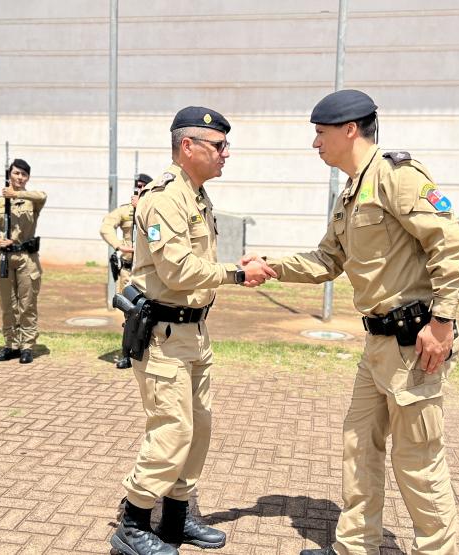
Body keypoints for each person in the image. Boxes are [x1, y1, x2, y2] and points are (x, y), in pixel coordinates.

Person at [257, 90, 459, 555]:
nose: (316, 143)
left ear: (350, 129)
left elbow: (454, 247)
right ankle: (355, 546)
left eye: (321, 133)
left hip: (414, 344)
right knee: (358, 446)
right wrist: (270, 266)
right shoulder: (350, 193)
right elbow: (327, 259)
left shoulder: (398, 176)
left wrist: (442, 323)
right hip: (377, 345)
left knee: (418, 461)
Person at [111, 106, 276, 555]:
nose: (226, 153)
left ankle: (176, 518)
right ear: (188, 146)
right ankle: (133, 524)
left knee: (198, 428)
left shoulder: (196, 195)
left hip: (193, 331)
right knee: (172, 428)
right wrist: (238, 275)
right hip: (163, 334)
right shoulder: (165, 197)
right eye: (219, 145)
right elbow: (178, 270)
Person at [0, 158, 47, 364]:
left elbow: (43, 195)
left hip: (27, 258)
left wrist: (16, 194)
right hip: (5, 257)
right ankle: (11, 345)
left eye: (24, 174)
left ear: (28, 178)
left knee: (27, 304)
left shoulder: (32, 200)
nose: (20, 177)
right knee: (8, 305)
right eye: (16, 173)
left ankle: (27, 346)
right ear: (9, 175)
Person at [100, 172, 152, 369]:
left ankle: (146, 352)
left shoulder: (154, 211)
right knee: (129, 313)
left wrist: (143, 208)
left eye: (143, 186)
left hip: (148, 272)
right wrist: (119, 245)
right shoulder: (125, 210)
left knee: (148, 312)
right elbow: (106, 226)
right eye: (137, 186)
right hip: (129, 272)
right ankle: (126, 354)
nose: (139, 189)